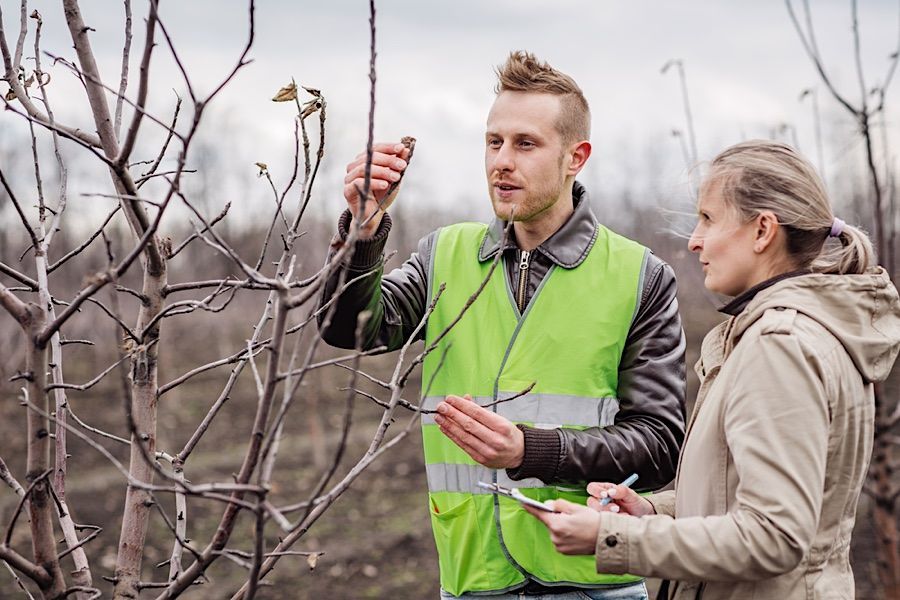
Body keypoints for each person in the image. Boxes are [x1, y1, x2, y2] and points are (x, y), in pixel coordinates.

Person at [318, 51, 686, 599]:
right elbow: (352, 328)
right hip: (474, 578)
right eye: (494, 142)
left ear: (575, 157)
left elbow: (659, 447)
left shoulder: (639, 276)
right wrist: (364, 230)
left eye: (526, 144)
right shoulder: (445, 255)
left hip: (590, 583)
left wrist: (530, 452)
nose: (502, 162)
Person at [525, 140, 900, 599]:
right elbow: (738, 496)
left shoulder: (780, 345)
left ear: (763, 230)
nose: (694, 239)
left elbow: (773, 536)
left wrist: (611, 539)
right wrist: (652, 513)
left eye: (708, 218)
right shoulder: (796, 332)